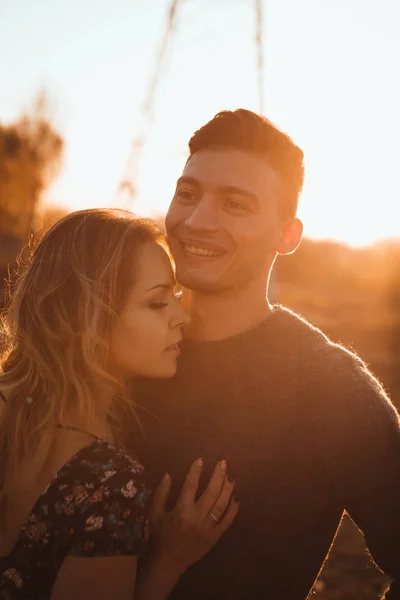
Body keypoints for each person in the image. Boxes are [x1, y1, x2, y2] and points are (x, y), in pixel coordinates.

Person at [133, 109, 400, 599]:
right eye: (187, 194)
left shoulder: (330, 387)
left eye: (235, 205)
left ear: (287, 235)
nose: (195, 221)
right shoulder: (114, 346)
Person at [0, 209, 238, 600]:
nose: (182, 317)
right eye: (158, 303)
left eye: (177, 298)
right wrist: (168, 560)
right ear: (89, 316)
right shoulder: (109, 483)